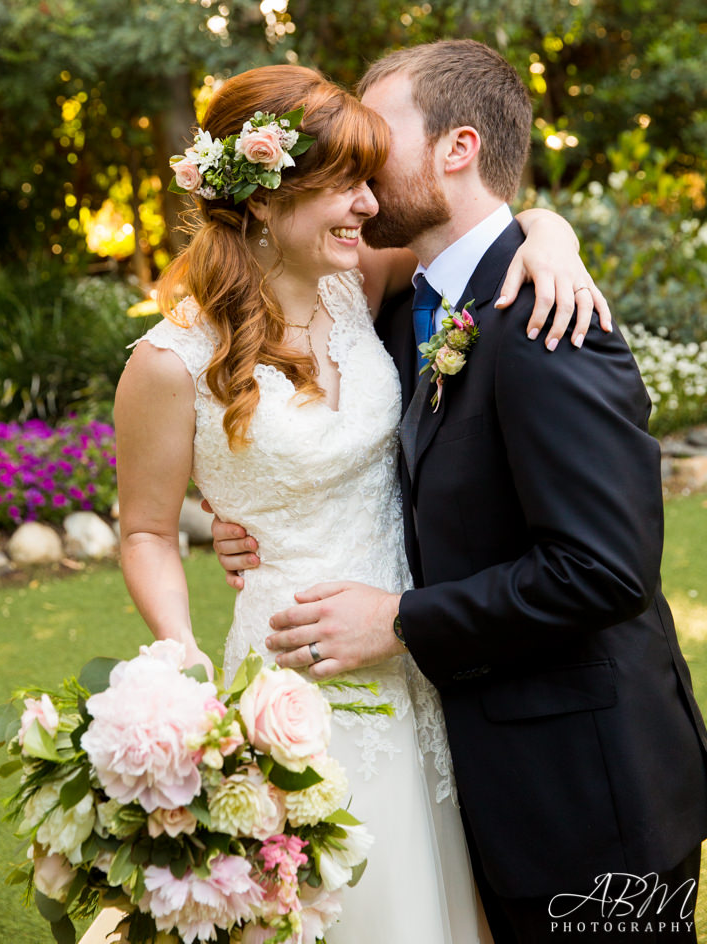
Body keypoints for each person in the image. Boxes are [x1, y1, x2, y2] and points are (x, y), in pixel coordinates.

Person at [100, 62, 607, 944]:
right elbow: (144, 529)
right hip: (288, 672)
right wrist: (180, 655)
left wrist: (552, 233)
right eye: (343, 186)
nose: (370, 205)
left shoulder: (360, 284)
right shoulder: (164, 363)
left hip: (419, 655)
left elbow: (481, 227)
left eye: (369, 180)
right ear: (261, 201)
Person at [215, 42, 707, 942]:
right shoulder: (408, 305)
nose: (356, 160)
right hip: (476, 775)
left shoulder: (547, 317)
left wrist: (398, 619)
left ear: (458, 148)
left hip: (589, 797)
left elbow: (603, 571)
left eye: (376, 135)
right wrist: (254, 509)